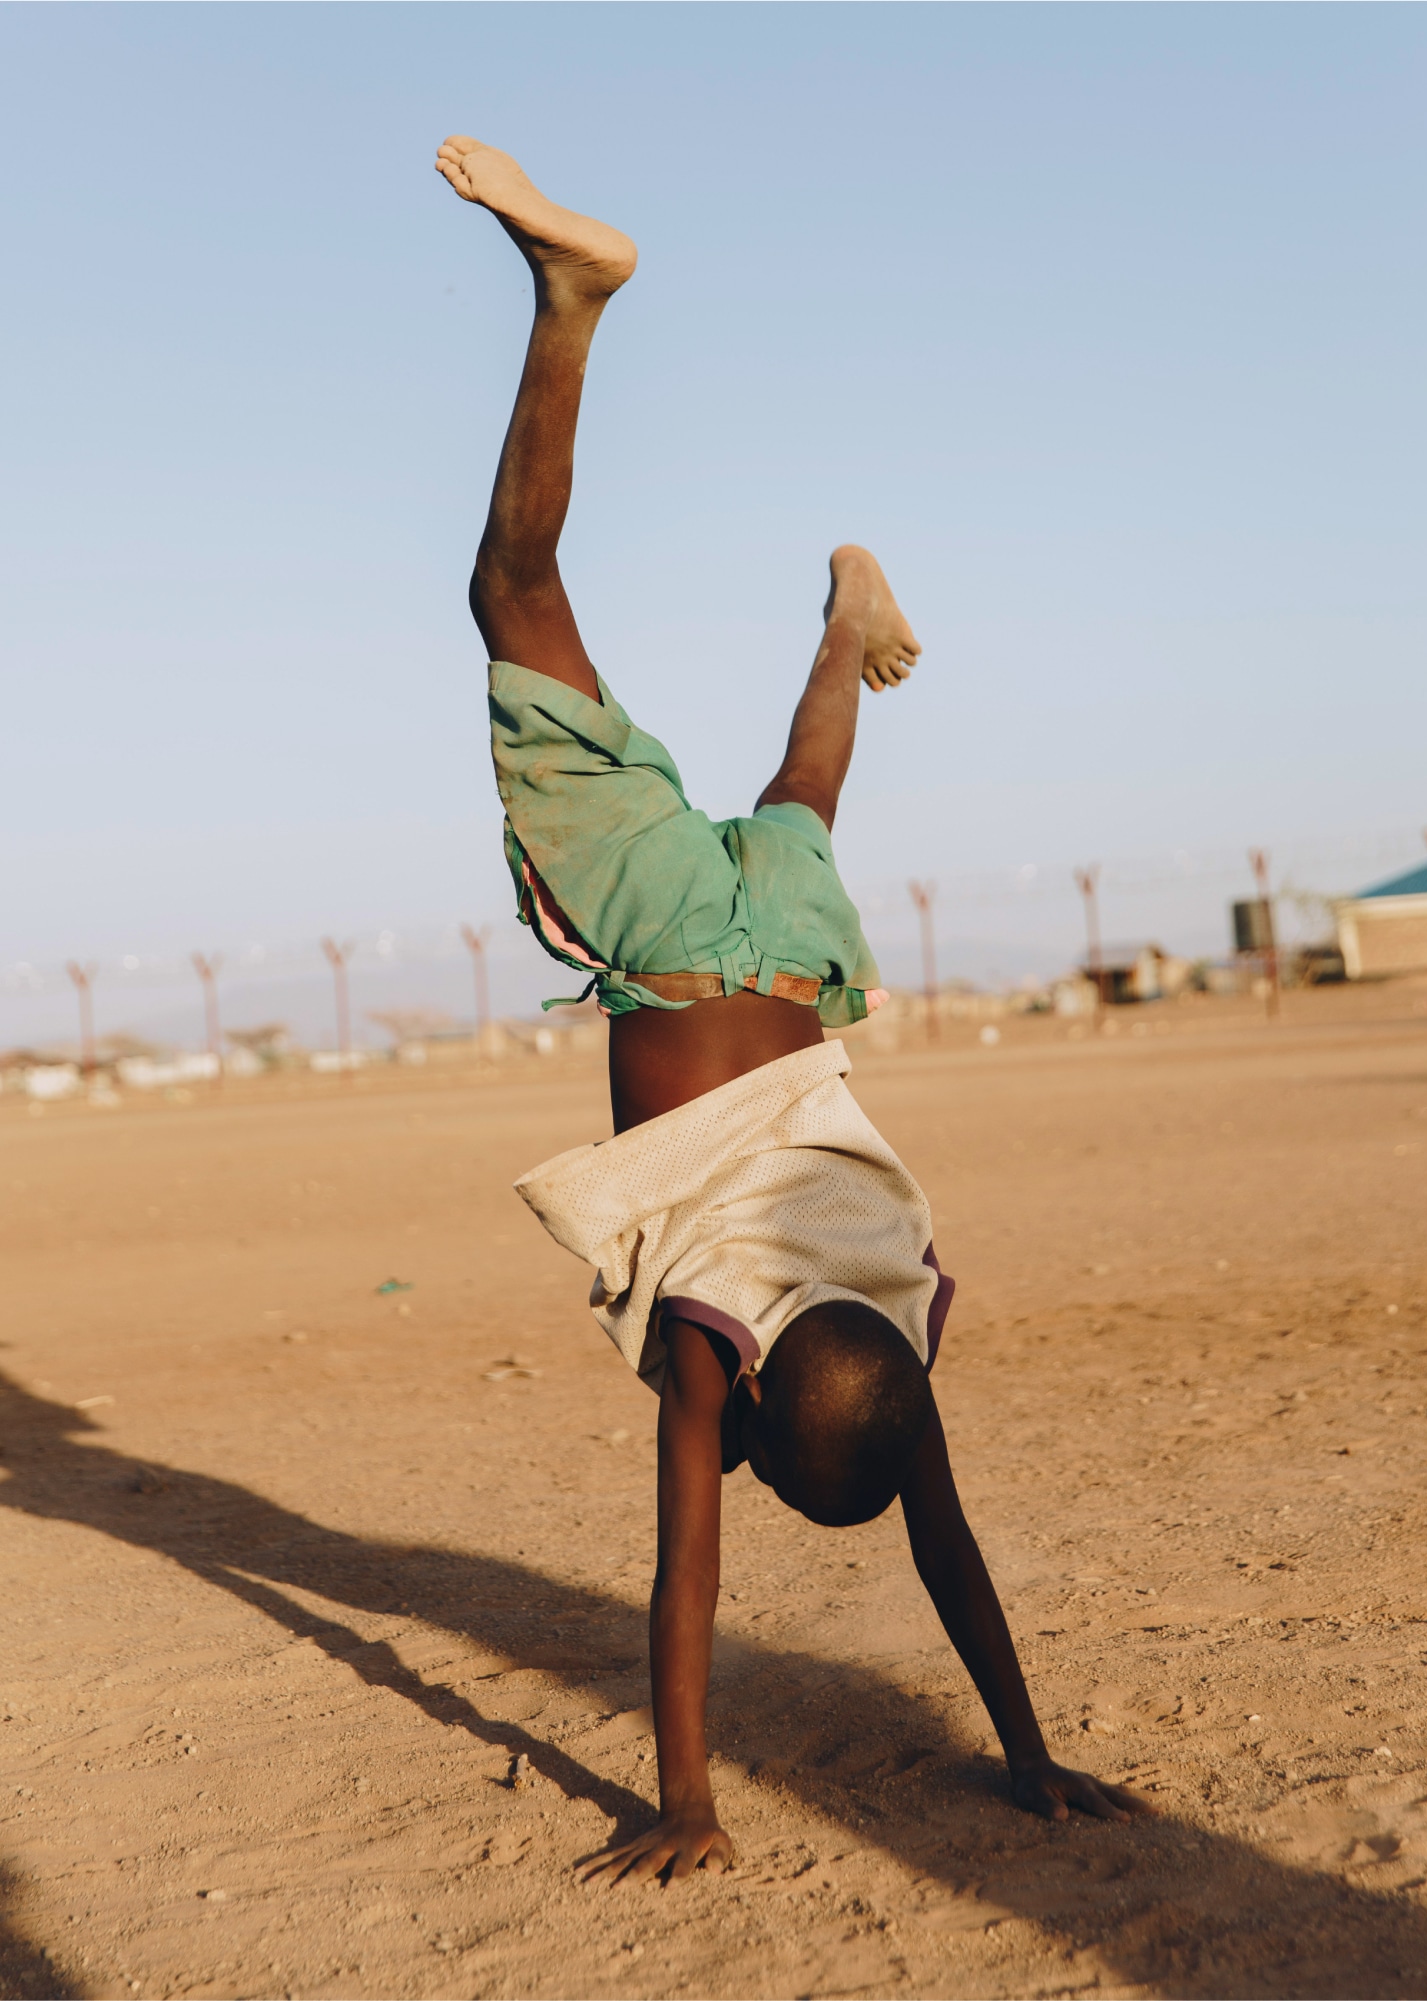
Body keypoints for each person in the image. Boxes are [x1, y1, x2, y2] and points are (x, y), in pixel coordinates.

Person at [435, 134, 1153, 1886]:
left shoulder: (898, 1322)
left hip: (793, 946)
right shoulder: (724, 1346)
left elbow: (943, 1540)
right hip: (673, 945)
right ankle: (571, 301)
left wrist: (1034, 1750)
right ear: (755, 1400)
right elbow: (690, 1570)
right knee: (512, 595)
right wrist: (686, 1797)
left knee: (802, 797)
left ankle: (845, 627)